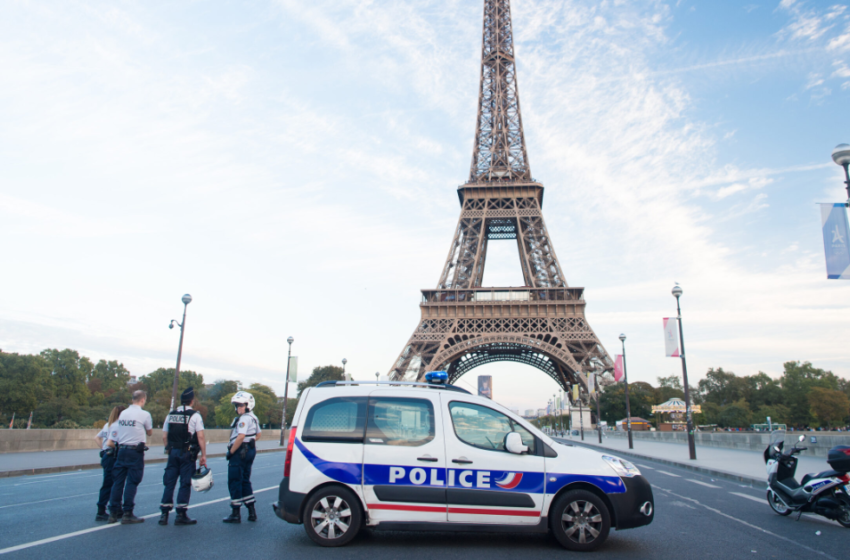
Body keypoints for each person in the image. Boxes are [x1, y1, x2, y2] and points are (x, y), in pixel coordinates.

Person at [159, 387, 207, 526]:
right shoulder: (195, 415)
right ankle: (181, 513)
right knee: (185, 483)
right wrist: (203, 455)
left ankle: (164, 513)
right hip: (187, 452)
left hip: (173, 452)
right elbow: (201, 437)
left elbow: (164, 436)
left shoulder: (171, 414)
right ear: (192, 401)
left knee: (169, 482)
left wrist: (169, 449)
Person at [107, 390, 153, 524]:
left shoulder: (123, 414)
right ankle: (128, 512)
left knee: (118, 482)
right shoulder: (144, 414)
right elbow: (149, 432)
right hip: (135, 451)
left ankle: (113, 512)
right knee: (132, 482)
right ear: (143, 400)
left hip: (121, 450)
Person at [223, 391, 261, 523]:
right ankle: (251, 511)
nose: (237, 408)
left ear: (247, 405)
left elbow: (240, 437)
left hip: (240, 452)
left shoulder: (244, 419)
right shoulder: (254, 417)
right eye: (236, 405)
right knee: (245, 480)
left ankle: (235, 513)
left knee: (234, 480)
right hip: (249, 450)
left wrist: (231, 452)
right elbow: (259, 434)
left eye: (240, 405)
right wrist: (252, 440)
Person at [95, 405, 125, 521]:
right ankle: (108, 509)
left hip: (106, 455)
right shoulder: (118, 426)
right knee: (114, 484)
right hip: (113, 456)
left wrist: (103, 449)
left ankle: (104, 508)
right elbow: (110, 442)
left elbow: (96, 438)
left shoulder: (107, 425)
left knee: (108, 483)